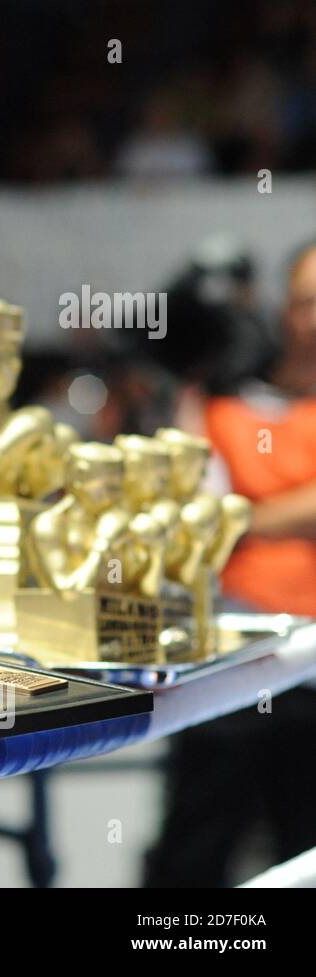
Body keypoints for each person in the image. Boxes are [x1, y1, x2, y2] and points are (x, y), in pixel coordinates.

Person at [143, 239, 316, 886]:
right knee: (195, 848)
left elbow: (221, 518)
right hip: (232, 658)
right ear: (282, 308)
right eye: (307, 302)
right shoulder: (220, 395)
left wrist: (244, 517)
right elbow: (189, 512)